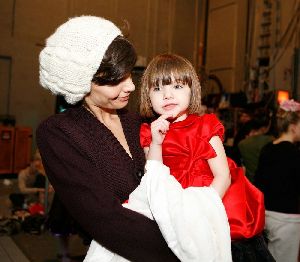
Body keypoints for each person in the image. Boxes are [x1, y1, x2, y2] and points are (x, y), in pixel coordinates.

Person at [85, 54, 275, 262]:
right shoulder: (149, 131)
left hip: (209, 203)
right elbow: (153, 177)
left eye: (176, 87)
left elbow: (223, 176)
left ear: (191, 90)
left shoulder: (205, 126)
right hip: (169, 206)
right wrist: (157, 142)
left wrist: (199, 212)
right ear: (148, 97)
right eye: (157, 89)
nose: (167, 95)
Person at [37, 16, 179, 261]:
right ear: (81, 81)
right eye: (117, 80)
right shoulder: (59, 134)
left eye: (129, 75)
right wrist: (181, 250)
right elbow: (104, 218)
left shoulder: (137, 123)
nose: (131, 87)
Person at [254, 99, 300, 262]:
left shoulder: (267, 148)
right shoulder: (295, 154)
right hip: (287, 218)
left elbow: (258, 181)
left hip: (266, 216)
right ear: (293, 127)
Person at [238, 108, 274, 182]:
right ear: (265, 128)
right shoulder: (272, 141)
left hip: (250, 183)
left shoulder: (242, 144)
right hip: (267, 181)